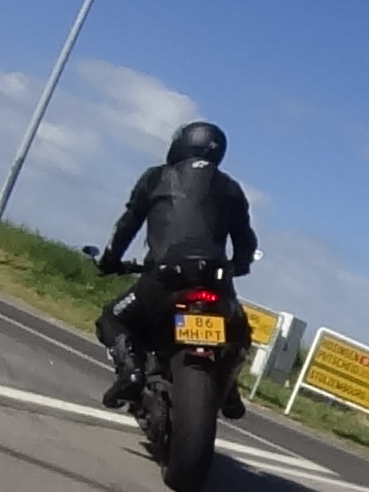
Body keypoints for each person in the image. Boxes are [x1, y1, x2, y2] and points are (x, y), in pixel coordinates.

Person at [94, 120, 258, 414]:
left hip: (163, 279)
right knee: (240, 332)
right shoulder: (232, 188)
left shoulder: (157, 177)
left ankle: (130, 370)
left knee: (112, 317)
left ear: (182, 144)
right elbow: (245, 239)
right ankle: (229, 387)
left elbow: (128, 224)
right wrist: (240, 265)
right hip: (216, 282)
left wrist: (110, 260)